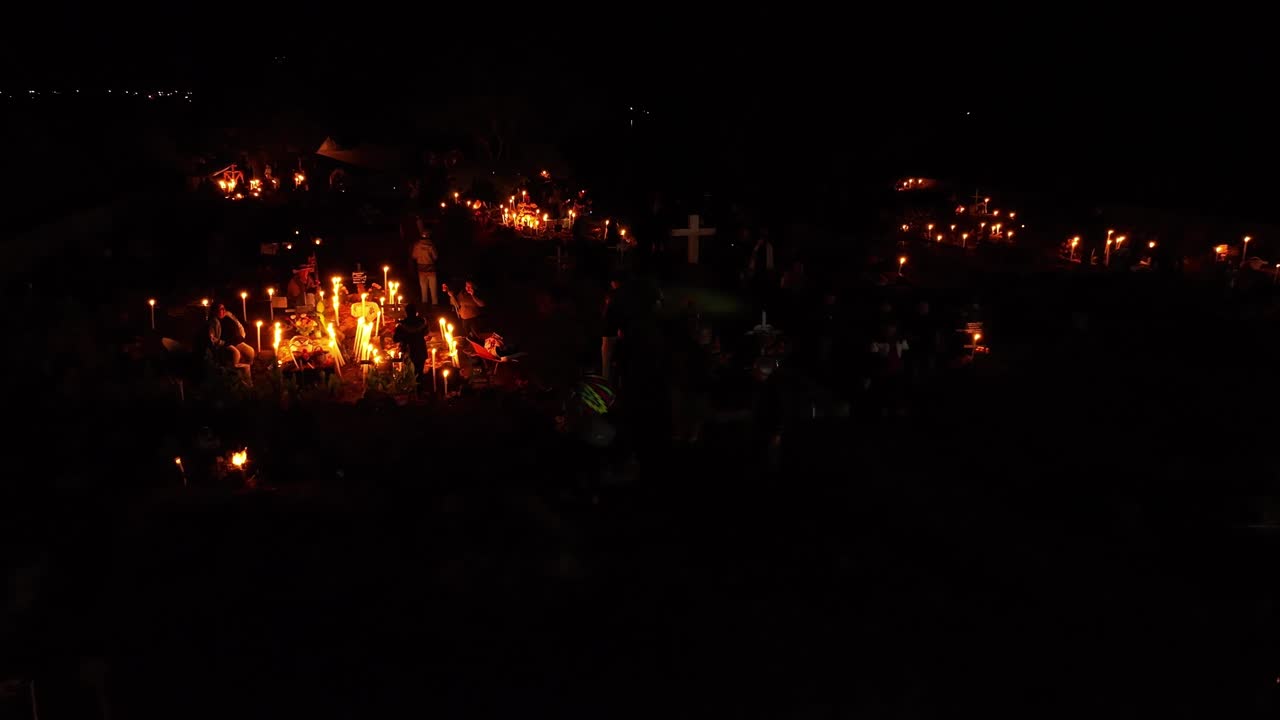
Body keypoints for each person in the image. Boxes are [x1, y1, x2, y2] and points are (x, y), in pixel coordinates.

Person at [209, 302, 255, 372]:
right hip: (226, 344)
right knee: (236, 353)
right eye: (221, 309)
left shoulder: (229, 316)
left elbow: (239, 325)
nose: (224, 310)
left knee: (250, 351)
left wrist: (242, 335)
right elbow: (212, 338)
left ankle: (248, 371)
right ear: (215, 311)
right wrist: (222, 343)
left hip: (235, 341)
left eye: (224, 308)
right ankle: (234, 373)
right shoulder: (214, 322)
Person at [393, 302, 429, 374]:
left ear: (406, 312)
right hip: (421, 351)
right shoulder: (422, 322)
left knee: (409, 374)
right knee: (419, 373)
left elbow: (395, 339)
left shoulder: (401, 326)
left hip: (408, 352)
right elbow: (426, 332)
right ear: (416, 312)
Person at [412, 232, 440, 306]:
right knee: (433, 288)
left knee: (423, 287)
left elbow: (414, 256)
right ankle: (435, 304)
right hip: (431, 270)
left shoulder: (417, 245)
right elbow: (436, 257)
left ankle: (424, 303)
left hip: (421, 270)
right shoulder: (431, 245)